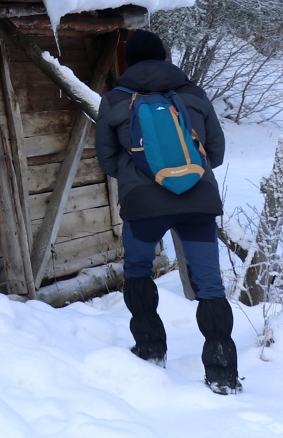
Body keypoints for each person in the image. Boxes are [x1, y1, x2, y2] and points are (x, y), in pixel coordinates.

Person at [94, 28, 241, 395]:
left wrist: (144, 173)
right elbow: (217, 153)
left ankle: (150, 349)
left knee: (139, 271)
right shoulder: (192, 95)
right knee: (210, 285)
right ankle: (222, 373)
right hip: (199, 201)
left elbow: (108, 162)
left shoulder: (115, 99)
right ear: (164, 56)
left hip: (144, 205)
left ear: (129, 61)